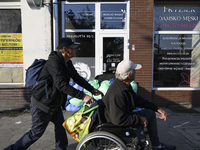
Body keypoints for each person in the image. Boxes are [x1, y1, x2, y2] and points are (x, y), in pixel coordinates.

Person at [5, 38, 101, 150]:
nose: (76, 50)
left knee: (60, 126)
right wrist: (83, 96)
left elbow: (77, 78)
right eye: (73, 48)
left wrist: (92, 89)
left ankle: (61, 149)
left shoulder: (67, 63)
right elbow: (61, 85)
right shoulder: (53, 63)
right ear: (65, 50)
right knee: (36, 133)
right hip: (42, 104)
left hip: (54, 103)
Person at [102, 60, 176, 150]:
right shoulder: (117, 93)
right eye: (134, 71)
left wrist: (157, 108)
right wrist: (139, 119)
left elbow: (138, 100)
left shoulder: (124, 86)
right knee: (143, 126)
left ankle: (156, 145)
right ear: (129, 75)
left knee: (150, 113)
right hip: (116, 124)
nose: (136, 72)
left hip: (124, 116)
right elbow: (118, 119)